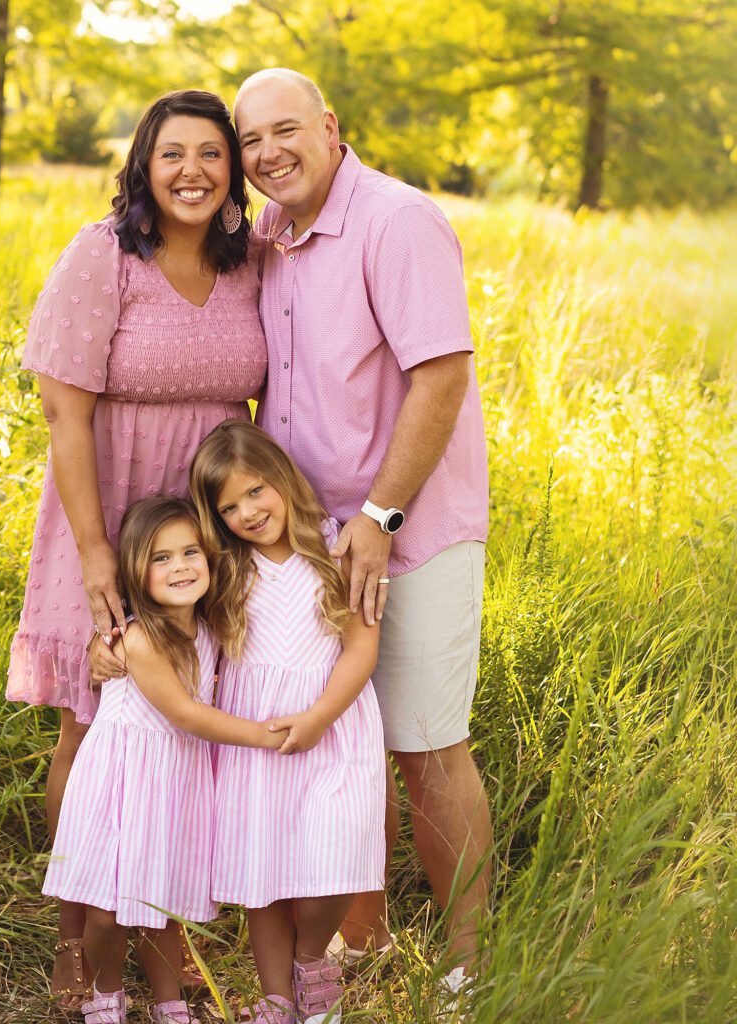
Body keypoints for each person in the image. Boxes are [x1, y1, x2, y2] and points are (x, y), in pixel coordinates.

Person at [233, 69, 493, 1002]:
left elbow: (442, 377)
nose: (269, 153)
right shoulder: (269, 236)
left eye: (286, 130)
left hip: (407, 531)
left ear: (331, 127)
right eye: (252, 140)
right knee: (348, 742)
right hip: (309, 542)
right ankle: (365, 931)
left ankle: (465, 963)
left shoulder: (397, 220)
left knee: (426, 741)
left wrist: (380, 518)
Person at [5, 89, 267, 1001]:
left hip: (204, 526)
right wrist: (90, 551)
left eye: (211, 154)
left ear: (233, 171)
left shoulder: (251, 263)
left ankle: (156, 928)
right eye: (171, 155)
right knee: (94, 723)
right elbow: (65, 415)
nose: (192, 171)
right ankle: (77, 944)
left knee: (184, 723)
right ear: (143, 169)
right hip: (109, 507)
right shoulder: (104, 255)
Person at [44, 496, 288, 1024]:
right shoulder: (138, 638)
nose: (179, 566)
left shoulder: (208, 627)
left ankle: (169, 1002)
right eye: (161, 558)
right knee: (106, 915)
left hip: (173, 785)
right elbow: (186, 714)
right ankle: (107, 993)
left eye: (190, 552)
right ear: (135, 572)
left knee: (161, 906)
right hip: (121, 784)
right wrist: (264, 735)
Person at [189, 420, 387, 1024]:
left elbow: (360, 647)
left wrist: (322, 716)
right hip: (257, 733)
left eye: (256, 491)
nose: (247, 511)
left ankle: (311, 960)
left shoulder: (334, 549)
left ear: (282, 479)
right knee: (263, 867)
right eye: (229, 505)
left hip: (334, 723)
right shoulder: (224, 569)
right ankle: (277, 1000)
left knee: (340, 848)